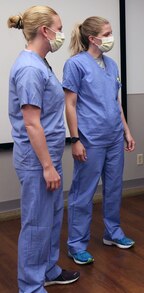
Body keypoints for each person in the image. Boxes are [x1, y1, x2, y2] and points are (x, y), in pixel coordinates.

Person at [7, 5, 80, 292]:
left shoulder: (40, 62)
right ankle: (30, 285)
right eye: (58, 28)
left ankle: (48, 269)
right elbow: (32, 124)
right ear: (44, 31)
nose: (61, 34)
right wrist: (47, 166)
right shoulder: (28, 68)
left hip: (47, 154)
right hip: (37, 160)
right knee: (36, 224)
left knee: (50, 220)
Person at [63, 16, 135, 265]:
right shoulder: (76, 65)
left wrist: (126, 130)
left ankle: (112, 233)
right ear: (92, 38)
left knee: (114, 189)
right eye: (107, 33)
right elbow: (70, 105)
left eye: (111, 32)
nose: (110, 38)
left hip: (114, 136)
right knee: (83, 194)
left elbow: (116, 101)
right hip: (90, 139)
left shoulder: (112, 64)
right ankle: (76, 244)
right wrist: (75, 139)